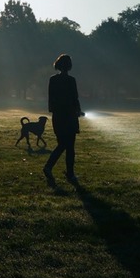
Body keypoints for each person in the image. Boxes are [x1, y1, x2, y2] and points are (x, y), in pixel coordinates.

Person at [43, 53, 84, 183]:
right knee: (69, 146)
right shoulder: (71, 80)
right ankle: (69, 173)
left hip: (58, 117)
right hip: (70, 116)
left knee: (62, 144)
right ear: (69, 66)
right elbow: (75, 98)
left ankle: (50, 167)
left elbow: (51, 99)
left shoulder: (53, 79)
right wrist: (78, 111)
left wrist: (55, 110)